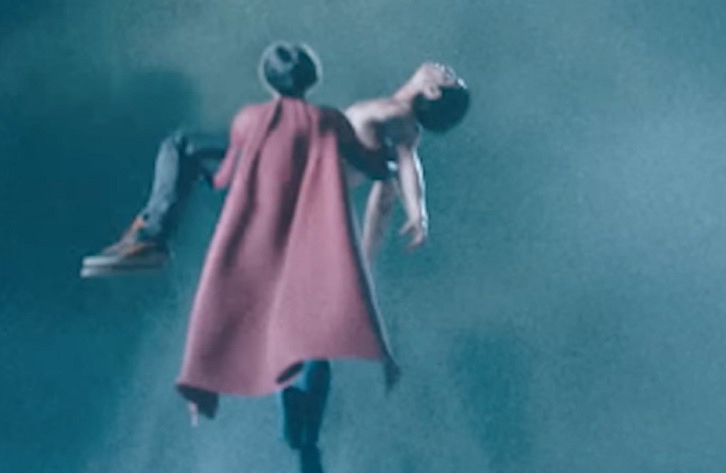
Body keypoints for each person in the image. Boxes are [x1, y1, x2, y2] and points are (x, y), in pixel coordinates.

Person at [174, 42, 395, 473]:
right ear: (311, 77)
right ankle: (307, 439)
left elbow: (225, 176)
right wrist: (394, 152)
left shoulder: (249, 119)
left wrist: (200, 172)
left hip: (266, 244)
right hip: (316, 240)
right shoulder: (328, 121)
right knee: (317, 340)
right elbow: (373, 166)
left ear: (269, 78)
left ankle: (288, 406)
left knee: (275, 331)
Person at [79, 63, 469, 277]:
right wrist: (366, 261)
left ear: (433, 92)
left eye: (447, 76)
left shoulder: (396, 118)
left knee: (181, 146)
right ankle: (150, 238)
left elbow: (406, 166)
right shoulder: (395, 129)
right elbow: (384, 200)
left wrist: (418, 211)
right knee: (192, 162)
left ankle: (151, 239)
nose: (443, 68)